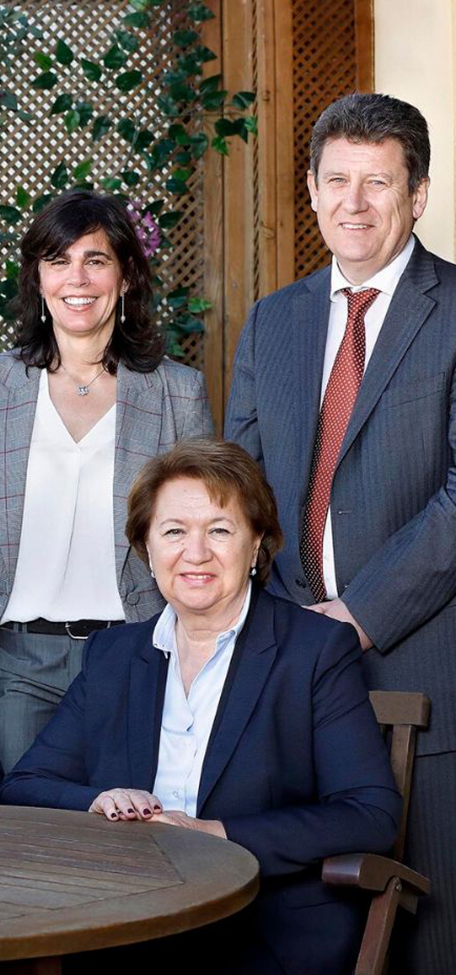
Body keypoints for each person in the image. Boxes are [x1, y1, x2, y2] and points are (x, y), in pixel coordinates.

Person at [0, 439, 400, 974]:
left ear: (256, 542)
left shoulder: (314, 649)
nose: (196, 553)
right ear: (146, 546)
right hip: (128, 923)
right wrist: (99, 799)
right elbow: (25, 785)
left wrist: (217, 836)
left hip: (264, 926)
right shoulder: (115, 655)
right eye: (173, 532)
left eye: (219, 529)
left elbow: (369, 814)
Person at [225, 91, 456, 973]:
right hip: (290, 668)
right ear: (312, 190)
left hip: (423, 663)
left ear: (418, 194)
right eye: (336, 181)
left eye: (377, 183)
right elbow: (241, 493)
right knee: (303, 922)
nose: (352, 204)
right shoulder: (274, 320)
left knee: (432, 929)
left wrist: (358, 610)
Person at [0, 189, 212, 772]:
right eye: (58, 260)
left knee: (124, 840)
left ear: (126, 275)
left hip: (133, 654)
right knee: (21, 842)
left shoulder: (177, 393)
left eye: (96, 260)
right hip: (14, 664)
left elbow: (201, 542)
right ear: (38, 277)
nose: (76, 278)